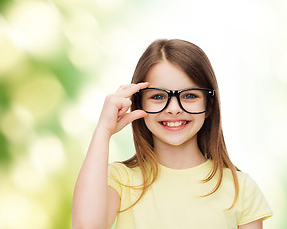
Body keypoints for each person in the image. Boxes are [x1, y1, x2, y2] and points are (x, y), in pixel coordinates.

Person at [72, 39, 273, 229]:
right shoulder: (119, 179)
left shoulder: (241, 188)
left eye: (190, 96)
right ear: (139, 103)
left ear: (208, 106)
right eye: (159, 96)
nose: (174, 109)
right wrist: (103, 131)